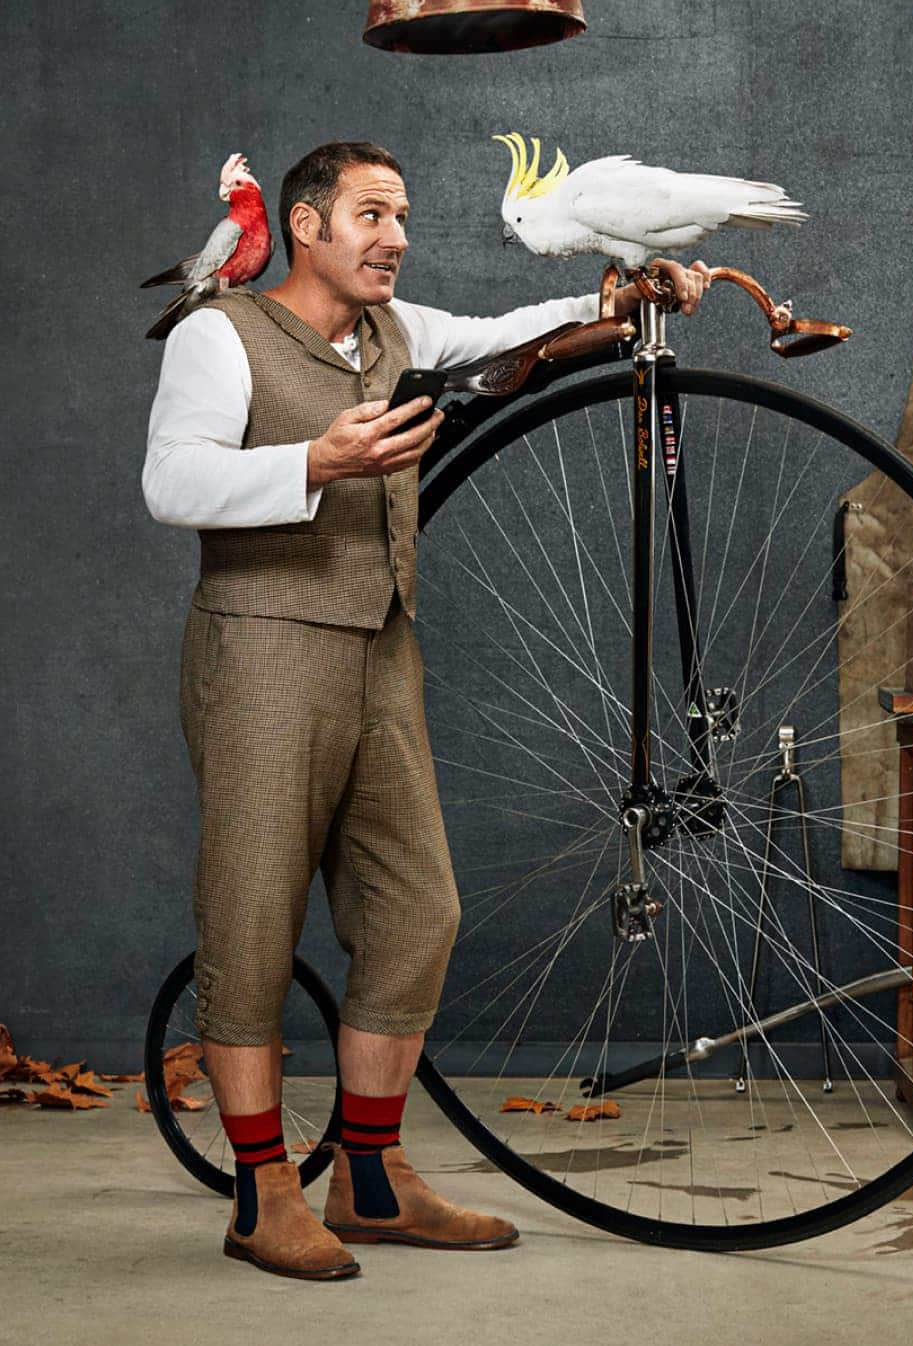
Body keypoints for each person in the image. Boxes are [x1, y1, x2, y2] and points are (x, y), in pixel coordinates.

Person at [143, 140, 707, 1281]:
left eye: (400, 215)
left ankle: (368, 1173)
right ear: (303, 226)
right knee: (251, 921)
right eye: (369, 214)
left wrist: (618, 295)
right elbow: (170, 482)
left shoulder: (398, 336)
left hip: (381, 652)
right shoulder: (222, 333)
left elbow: (511, 334)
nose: (394, 235)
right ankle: (263, 1194)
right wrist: (315, 459)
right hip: (262, 654)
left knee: (415, 912)